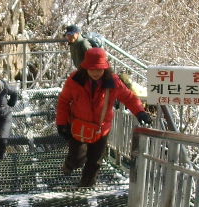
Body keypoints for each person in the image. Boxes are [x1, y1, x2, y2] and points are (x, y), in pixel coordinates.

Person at [56, 47, 152, 188]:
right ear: (86, 68)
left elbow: (129, 97)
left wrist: (140, 112)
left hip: (101, 129)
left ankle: (86, 187)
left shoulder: (113, 82)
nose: (96, 73)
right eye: (92, 69)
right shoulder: (75, 80)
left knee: (95, 162)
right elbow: (64, 101)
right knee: (77, 159)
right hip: (79, 127)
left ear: (105, 68)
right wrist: (62, 123)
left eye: (99, 69)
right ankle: (69, 165)